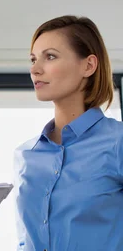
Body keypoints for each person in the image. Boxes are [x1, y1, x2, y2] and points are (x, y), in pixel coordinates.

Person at [14, 15, 123, 250]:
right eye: (33, 59)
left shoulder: (118, 142)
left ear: (88, 65)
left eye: (50, 57)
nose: (35, 69)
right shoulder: (25, 154)